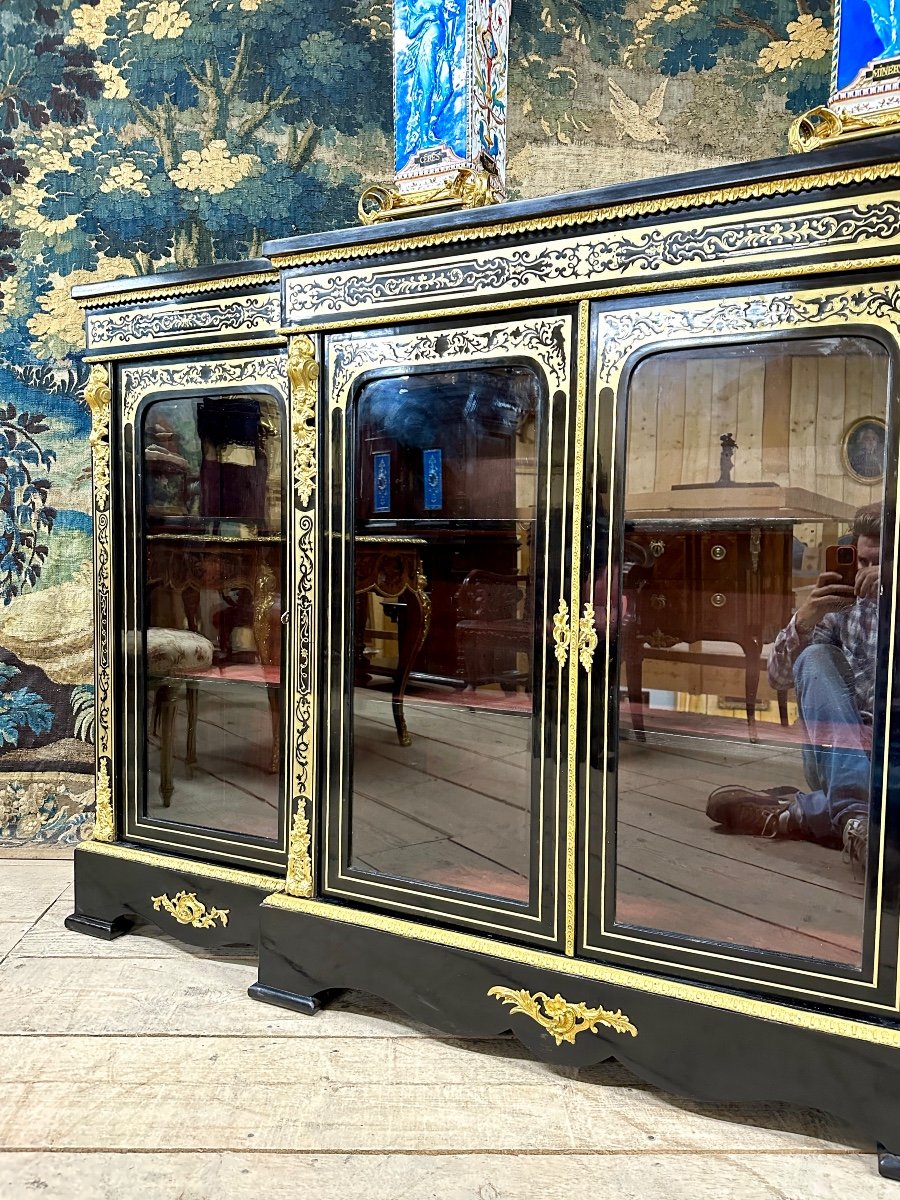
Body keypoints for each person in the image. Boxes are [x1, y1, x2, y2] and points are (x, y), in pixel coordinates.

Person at [706, 504, 883, 879]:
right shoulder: (841, 602)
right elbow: (779, 677)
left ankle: (795, 814)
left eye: (877, 564)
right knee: (815, 657)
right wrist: (802, 623)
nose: (865, 574)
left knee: (886, 796)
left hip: (890, 759)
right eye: (861, 561)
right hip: (841, 748)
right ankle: (853, 812)